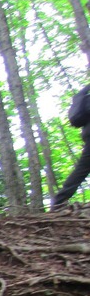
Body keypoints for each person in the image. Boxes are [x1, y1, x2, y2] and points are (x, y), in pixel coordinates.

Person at [51, 83, 90, 211]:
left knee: (81, 170)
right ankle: (58, 203)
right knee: (81, 170)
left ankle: (58, 202)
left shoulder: (85, 94)